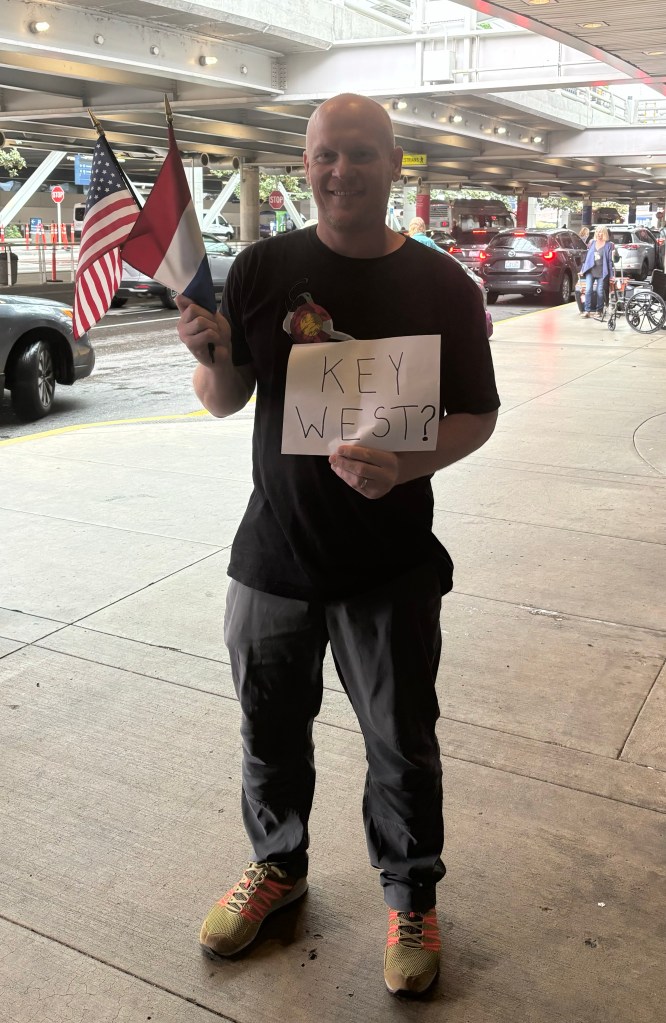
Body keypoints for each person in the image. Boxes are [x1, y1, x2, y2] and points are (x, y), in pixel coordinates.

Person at [176, 93, 499, 997]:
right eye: (325, 154)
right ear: (305, 163)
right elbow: (225, 400)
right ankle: (278, 866)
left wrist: (406, 465)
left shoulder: (443, 286)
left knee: (401, 742)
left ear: (394, 163)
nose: (341, 170)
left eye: (361, 153)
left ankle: (410, 894)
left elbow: (478, 414)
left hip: (388, 562)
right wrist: (209, 355)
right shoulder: (263, 267)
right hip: (272, 554)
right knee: (268, 730)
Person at [581, 225, 615, 320]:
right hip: (591, 270)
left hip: (601, 272)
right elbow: (586, 258)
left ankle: (599, 310)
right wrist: (582, 270)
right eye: (597, 232)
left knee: (600, 291)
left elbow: (609, 261)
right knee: (588, 290)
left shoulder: (608, 245)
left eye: (601, 232)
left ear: (604, 233)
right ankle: (587, 311)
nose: (599, 234)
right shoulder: (592, 243)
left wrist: (611, 275)